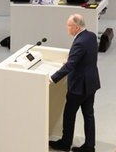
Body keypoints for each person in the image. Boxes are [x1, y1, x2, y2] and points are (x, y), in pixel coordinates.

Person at [49, 14, 100, 152]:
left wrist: (52, 78)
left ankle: (65, 143)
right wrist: (72, 60)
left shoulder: (79, 42)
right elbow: (85, 57)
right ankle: (90, 146)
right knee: (89, 115)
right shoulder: (91, 36)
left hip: (78, 86)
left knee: (69, 114)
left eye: (69, 26)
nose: (67, 28)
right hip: (91, 82)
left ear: (76, 27)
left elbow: (70, 65)